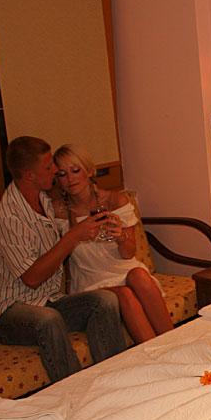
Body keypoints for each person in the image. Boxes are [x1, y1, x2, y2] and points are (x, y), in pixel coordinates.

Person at [0, 136, 128, 382]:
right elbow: (32, 278)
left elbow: (83, 194)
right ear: (29, 175)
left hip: (50, 299)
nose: (55, 170)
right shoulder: (9, 217)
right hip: (12, 312)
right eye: (48, 167)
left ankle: (115, 380)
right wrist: (74, 236)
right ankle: (74, 393)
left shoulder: (45, 199)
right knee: (48, 320)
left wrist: (105, 224)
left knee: (104, 301)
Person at [52, 144, 173, 344]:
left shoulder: (115, 200)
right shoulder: (58, 212)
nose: (70, 179)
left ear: (89, 171)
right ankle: (156, 353)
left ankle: (174, 343)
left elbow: (128, 253)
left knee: (138, 275)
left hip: (123, 270)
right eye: (62, 174)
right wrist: (74, 233)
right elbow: (55, 256)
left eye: (75, 170)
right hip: (91, 281)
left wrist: (121, 236)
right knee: (125, 294)